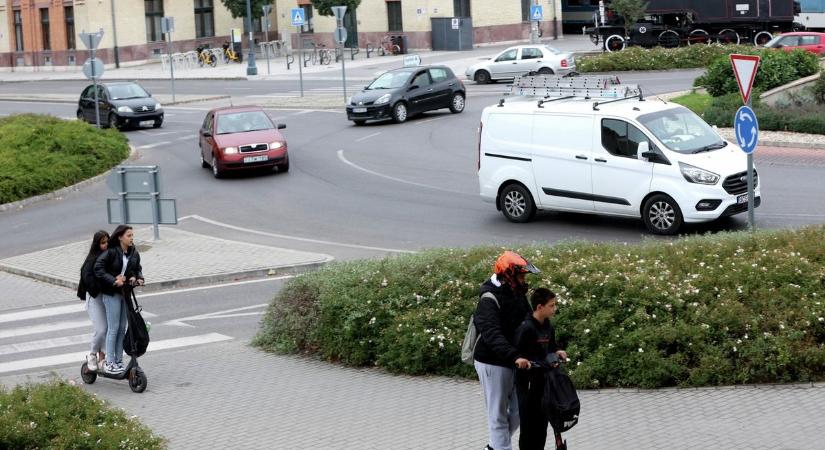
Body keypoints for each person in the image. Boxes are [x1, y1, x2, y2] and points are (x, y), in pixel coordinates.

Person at [473, 250, 540, 450]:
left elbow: (529, 322)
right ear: (508, 275)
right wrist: (515, 355)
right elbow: (491, 334)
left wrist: (548, 347)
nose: (523, 280)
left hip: (515, 361)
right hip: (492, 362)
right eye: (520, 276)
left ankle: (494, 446)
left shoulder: (517, 294)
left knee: (520, 411)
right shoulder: (489, 298)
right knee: (498, 416)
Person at [514, 288, 569, 450]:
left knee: (542, 426)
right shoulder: (526, 328)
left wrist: (557, 351)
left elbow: (550, 347)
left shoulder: (547, 325)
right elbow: (515, 354)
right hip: (528, 386)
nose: (554, 308)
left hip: (545, 384)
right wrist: (522, 361)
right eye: (551, 305)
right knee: (529, 429)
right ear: (539, 307)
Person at [94, 225, 144, 374]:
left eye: (132, 235)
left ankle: (119, 361)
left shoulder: (133, 252)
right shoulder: (111, 252)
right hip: (111, 293)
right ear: (120, 237)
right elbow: (98, 268)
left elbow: (137, 267)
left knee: (122, 328)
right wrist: (113, 280)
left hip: (125, 293)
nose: (131, 238)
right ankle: (109, 363)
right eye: (129, 235)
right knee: (114, 328)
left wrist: (138, 277)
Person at [77, 230, 110, 372]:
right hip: (94, 298)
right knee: (101, 329)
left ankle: (102, 358)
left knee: (108, 328)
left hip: (107, 298)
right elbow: (87, 277)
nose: (106, 245)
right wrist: (99, 287)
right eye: (103, 243)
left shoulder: (109, 256)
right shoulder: (92, 259)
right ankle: (92, 354)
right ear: (97, 244)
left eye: (107, 242)